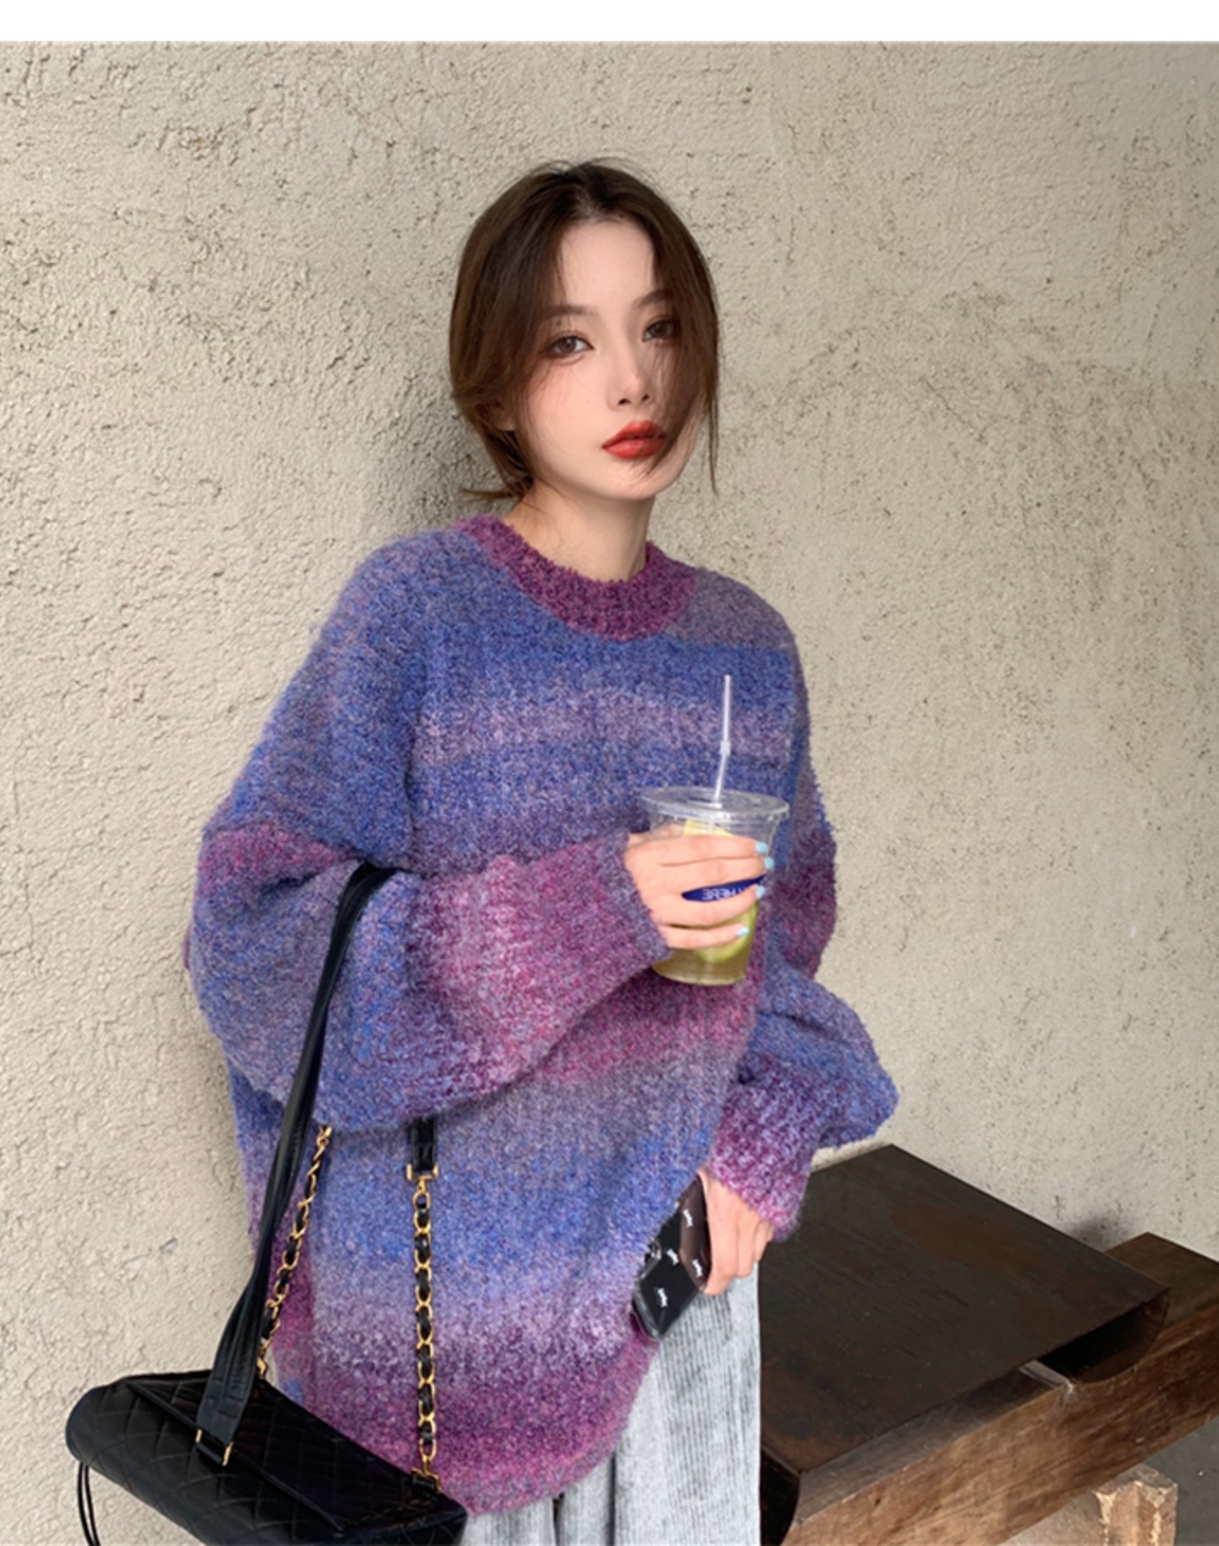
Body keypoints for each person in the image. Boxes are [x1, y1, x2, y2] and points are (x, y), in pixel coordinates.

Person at [187, 160, 898, 1545]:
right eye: (571, 340)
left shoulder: (745, 652)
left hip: (673, 1314)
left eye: (660, 326)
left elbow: (785, 967)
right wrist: (598, 905)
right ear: (498, 384)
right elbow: (256, 942)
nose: (633, 379)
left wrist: (757, 1148)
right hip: (432, 1366)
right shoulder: (417, 619)